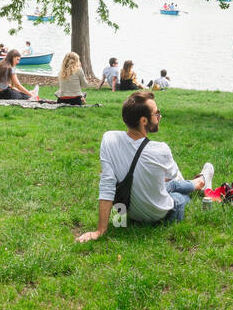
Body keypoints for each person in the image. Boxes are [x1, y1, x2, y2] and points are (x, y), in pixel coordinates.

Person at [76, 91, 213, 241]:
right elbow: (171, 177)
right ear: (143, 120)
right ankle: (200, 183)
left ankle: (199, 182)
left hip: (130, 210)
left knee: (172, 184)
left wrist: (100, 231)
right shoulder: (160, 149)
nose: (159, 117)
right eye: (156, 113)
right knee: (179, 195)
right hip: (159, 213)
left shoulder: (109, 139)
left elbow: (107, 184)